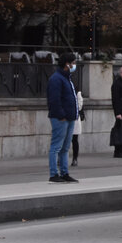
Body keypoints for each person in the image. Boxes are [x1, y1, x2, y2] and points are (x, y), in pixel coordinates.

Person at [46, 53, 79, 183]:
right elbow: (54, 99)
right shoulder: (57, 79)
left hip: (69, 117)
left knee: (65, 147)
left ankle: (64, 173)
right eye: (74, 62)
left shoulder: (66, 78)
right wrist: (61, 115)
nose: (74, 65)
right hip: (61, 118)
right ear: (67, 64)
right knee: (56, 146)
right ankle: (54, 174)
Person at [71, 83, 83, 167]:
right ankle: (60, 158)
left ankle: (75, 158)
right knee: (63, 140)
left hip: (74, 118)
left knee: (74, 139)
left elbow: (79, 106)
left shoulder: (77, 92)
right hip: (65, 118)